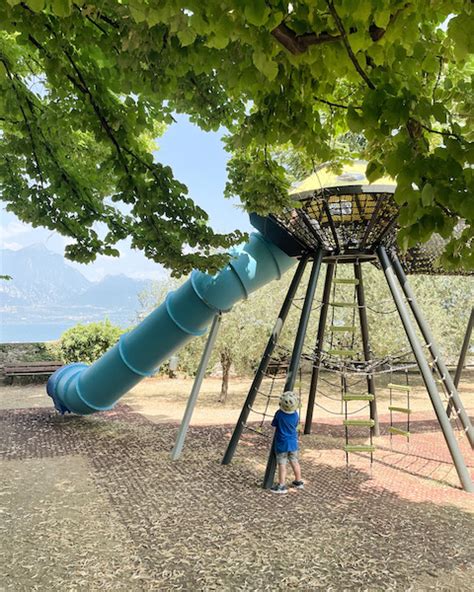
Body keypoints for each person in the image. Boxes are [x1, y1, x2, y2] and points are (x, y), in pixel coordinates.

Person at [270, 391, 304, 494]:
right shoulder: (295, 415)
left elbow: (274, 424)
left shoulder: (279, 414)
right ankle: (298, 481)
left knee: (282, 464)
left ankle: (281, 485)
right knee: (294, 461)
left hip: (282, 443)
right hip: (293, 443)